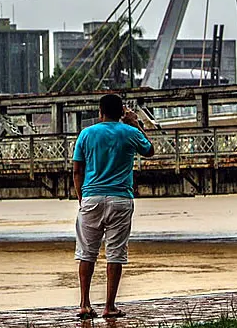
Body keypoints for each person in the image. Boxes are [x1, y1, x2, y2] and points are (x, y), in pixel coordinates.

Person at [72, 93, 155, 320]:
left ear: (100, 112)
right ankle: (110, 306)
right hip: (120, 199)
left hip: (91, 198)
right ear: (121, 112)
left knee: (86, 253)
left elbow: (77, 170)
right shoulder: (130, 132)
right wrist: (136, 123)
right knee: (115, 253)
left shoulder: (86, 134)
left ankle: (84, 305)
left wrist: (82, 197)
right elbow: (150, 150)